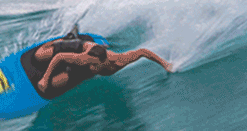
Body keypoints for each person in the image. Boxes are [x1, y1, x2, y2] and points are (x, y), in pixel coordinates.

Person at [33, 26, 172, 97]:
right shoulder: (86, 57)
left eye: (94, 63)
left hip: (82, 68)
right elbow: (60, 57)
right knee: (39, 56)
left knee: (54, 84)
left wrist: (165, 64)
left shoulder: (119, 61)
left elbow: (143, 52)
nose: (91, 63)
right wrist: (45, 78)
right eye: (90, 61)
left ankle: (72, 40)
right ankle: (68, 38)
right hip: (79, 47)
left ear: (103, 60)